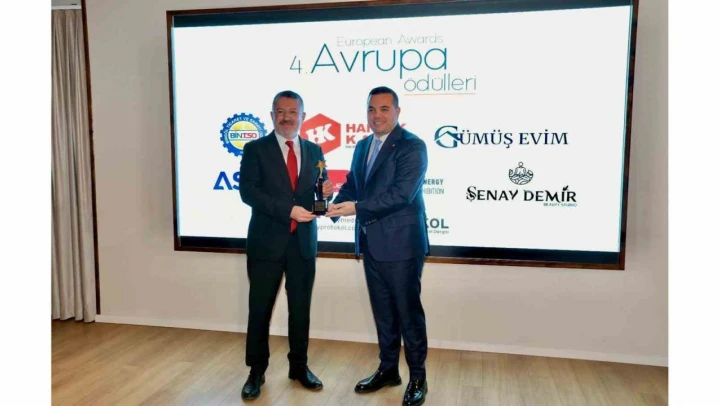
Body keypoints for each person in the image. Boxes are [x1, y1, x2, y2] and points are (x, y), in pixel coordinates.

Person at [327, 86, 430, 406]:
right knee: (383, 313)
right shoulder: (362, 146)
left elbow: (402, 194)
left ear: (397, 112)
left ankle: (418, 378)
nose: (377, 115)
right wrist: (332, 208)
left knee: (408, 314)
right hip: (371, 243)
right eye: (371, 109)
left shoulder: (413, 146)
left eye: (384, 109)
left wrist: (356, 208)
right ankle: (388, 370)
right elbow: (353, 185)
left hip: (402, 245)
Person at [238, 90, 333, 400]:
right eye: (280, 112)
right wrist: (288, 211)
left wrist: (326, 193)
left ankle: (299, 367)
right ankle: (256, 371)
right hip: (266, 244)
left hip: (303, 245)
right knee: (260, 310)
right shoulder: (255, 149)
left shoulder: (315, 150)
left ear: (303, 116)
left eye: (293, 112)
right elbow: (249, 192)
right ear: (272, 116)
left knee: (300, 310)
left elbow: (317, 195)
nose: (287, 117)